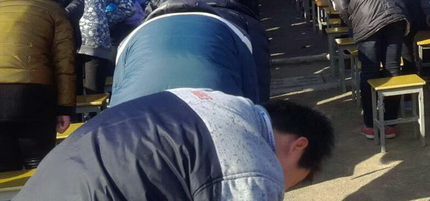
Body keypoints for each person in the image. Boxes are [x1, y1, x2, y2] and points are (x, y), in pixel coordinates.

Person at [15, 90, 334, 199]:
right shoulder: (254, 169)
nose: (283, 189)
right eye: (293, 182)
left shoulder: (214, 101)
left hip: (48, 182)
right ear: (299, 146)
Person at [110, 0, 270, 107]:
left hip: (133, 112)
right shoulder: (232, 30)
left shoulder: (133, 37)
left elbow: (118, 86)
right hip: (215, 106)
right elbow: (251, 89)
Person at [330, 0, 411, 139]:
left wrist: (354, 25)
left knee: (369, 69)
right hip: (396, 15)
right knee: (393, 66)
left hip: (367, 20)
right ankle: (390, 122)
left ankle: (370, 123)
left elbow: (341, 6)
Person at [0, 0, 75, 172]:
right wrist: (65, 108)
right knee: (39, 167)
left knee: (6, 171)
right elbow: (64, 62)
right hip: (33, 95)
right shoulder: (53, 10)